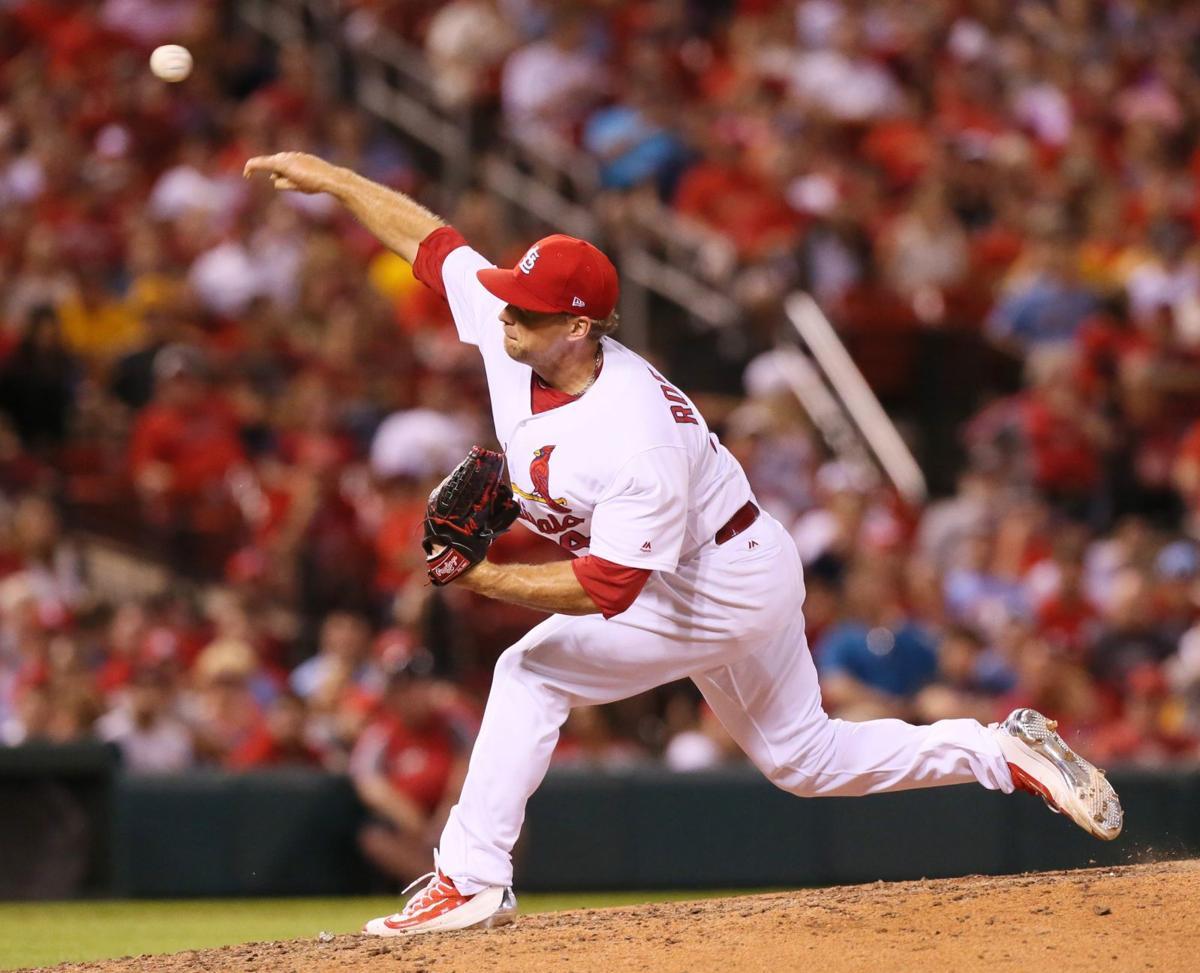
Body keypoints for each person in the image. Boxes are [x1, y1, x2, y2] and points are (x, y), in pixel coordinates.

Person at [243, 151, 1124, 937]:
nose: (504, 315)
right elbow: (434, 247)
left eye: (529, 311)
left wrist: (481, 576)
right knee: (806, 759)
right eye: (510, 299)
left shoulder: (631, 434)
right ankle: (999, 750)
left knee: (530, 670)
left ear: (581, 326)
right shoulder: (525, 334)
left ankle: (470, 878)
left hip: (712, 580)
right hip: (735, 555)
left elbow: (610, 585)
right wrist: (335, 179)